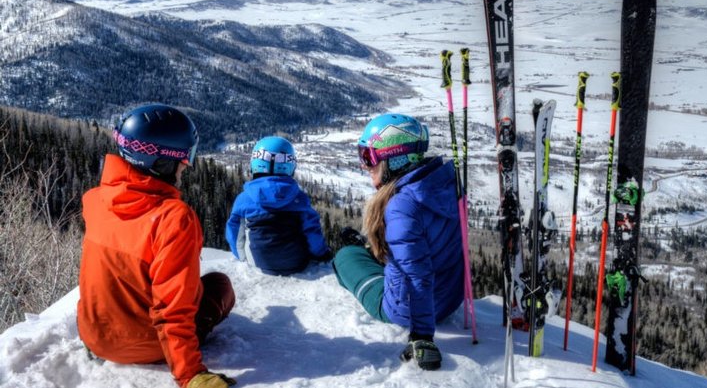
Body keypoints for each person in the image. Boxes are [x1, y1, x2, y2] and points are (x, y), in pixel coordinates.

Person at [78, 104, 237, 388]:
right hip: (148, 345)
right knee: (219, 286)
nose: (186, 165)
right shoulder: (174, 219)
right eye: (184, 158)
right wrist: (190, 375)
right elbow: (172, 307)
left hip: (96, 337)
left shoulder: (94, 200)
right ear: (162, 163)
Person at [332, 114, 464, 371]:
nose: (365, 166)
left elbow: (417, 275)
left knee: (345, 256)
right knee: (374, 251)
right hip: (450, 297)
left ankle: (355, 255)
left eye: (369, 157)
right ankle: (369, 251)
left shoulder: (402, 206)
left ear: (395, 158)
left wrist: (421, 336)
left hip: (409, 309)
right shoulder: (445, 182)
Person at [225, 136, 331, 275]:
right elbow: (312, 231)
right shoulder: (299, 198)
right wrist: (321, 254)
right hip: (297, 263)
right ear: (290, 165)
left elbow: (234, 233)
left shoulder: (244, 199)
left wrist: (242, 258)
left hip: (257, 262)